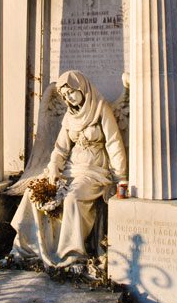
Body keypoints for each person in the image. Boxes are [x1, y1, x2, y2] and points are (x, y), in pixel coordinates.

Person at [10, 70, 127, 270]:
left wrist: (121, 178)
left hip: (94, 170)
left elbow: (114, 144)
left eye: (71, 92)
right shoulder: (69, 116)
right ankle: (26, 248)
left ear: (82, 88)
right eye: (64, 96)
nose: (69, 98)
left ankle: (72, 254)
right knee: (33, 192)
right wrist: (54, 168)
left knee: (73, 197)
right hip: (71, 168)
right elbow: (61, 148)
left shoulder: (101, 109)